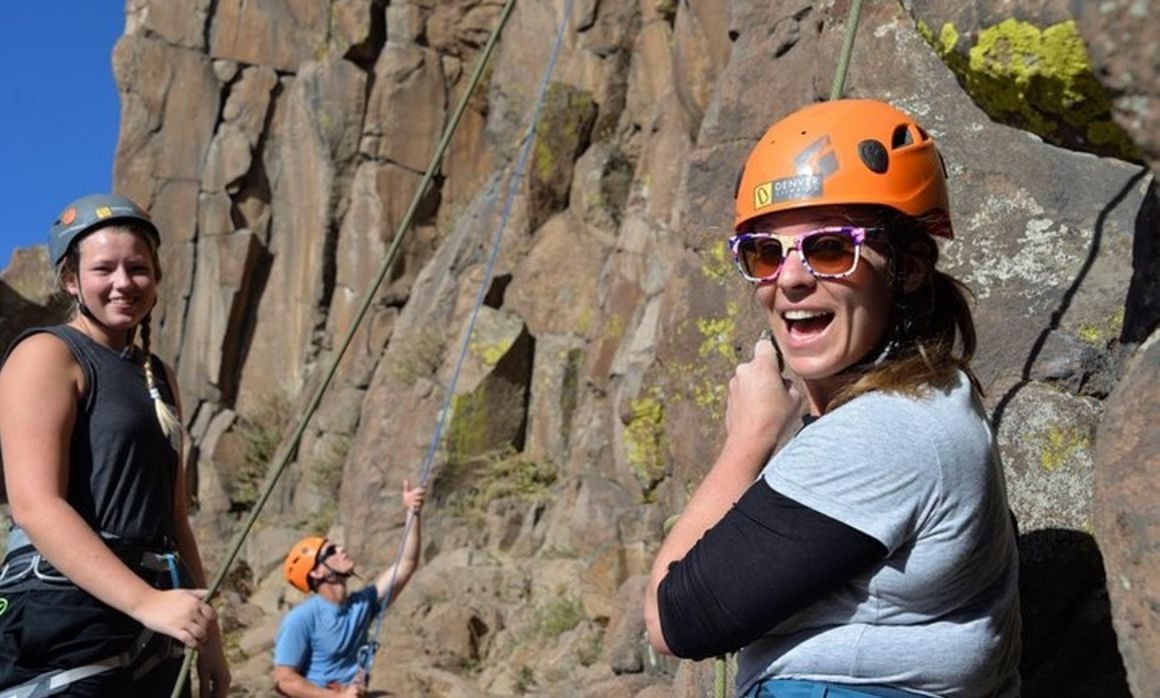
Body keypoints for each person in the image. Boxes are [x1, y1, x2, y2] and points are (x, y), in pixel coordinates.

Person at [643, 100, 1021, 697]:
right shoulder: (936, 398)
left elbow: (676, 620)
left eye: (828, 249)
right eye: (765, 254)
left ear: (910, 267)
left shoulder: (883, 432)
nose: (790, 278)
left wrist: (749, 439)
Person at [0, 194, 230, 696]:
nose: (124, 283)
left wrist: (208, 635)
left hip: (154, 628)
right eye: (104, 269)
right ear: (70, 280)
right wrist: (147, 602)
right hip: (70, 626)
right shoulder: (47, 355)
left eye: (138, 268)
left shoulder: (158, 375)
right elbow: (36, 506)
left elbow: (175, 518)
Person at [274, 481, 425, 697]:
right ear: (316, 573)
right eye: (331, 552)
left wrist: (412, 512)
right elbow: (284, 680)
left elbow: (406, 565)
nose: (341, 549)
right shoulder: (302, 619)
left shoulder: (361, 605)